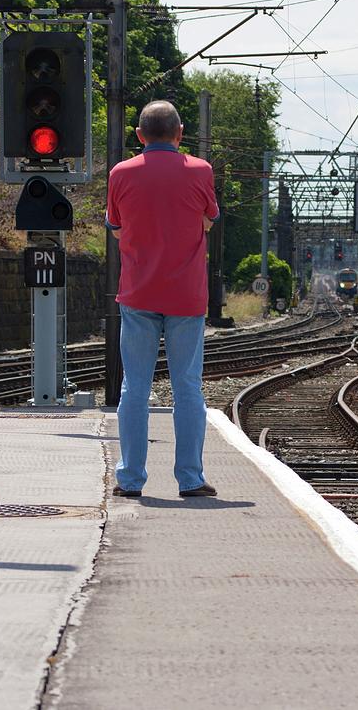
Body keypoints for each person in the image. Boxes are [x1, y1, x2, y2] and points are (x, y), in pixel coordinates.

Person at [105, 100, 219, 499]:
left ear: (139, 135)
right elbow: (208, 218)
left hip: (137, 293)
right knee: (187, 385)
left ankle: (131, 480)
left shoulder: (121, 173)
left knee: (134, 388)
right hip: (187, 296)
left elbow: (116, 228)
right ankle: (189, 479)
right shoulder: (201, 171)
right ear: (180, 133)